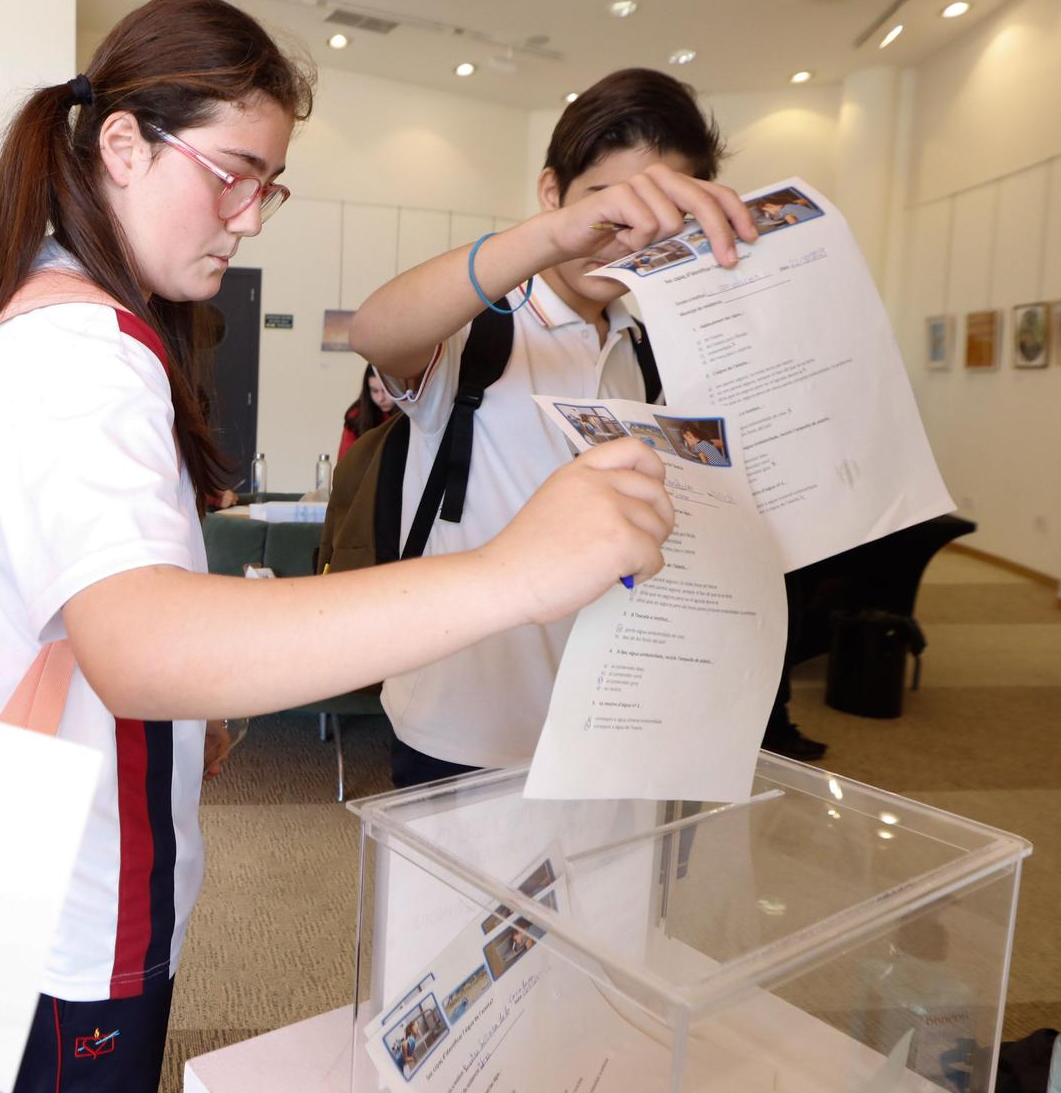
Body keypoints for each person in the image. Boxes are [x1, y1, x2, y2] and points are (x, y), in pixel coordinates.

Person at [0, 0, 678, 1093]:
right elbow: (142, 650)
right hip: (78, 893)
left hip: (58, 859)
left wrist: (193, 711)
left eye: (264, 184)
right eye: (229, 172)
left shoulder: (58, 314)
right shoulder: (77, 347)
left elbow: (100, 628)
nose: (247, 218)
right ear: (120, 146)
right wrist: (517, 569)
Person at [351, 67, 828, 784]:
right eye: (609, 205)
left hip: (612, 720)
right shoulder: (480, 326)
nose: (627, 237)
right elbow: (375, 330)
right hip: (467, 721)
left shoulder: (644, 347)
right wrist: (546, 238)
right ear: (553, 195)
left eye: (660, 212)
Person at [338, 364, 398, 458]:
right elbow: (345, 461)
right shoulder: (356, 416)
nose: (380, 398)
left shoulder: (413, 414)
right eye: (374, 390)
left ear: (400, 387)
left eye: (387, 390)